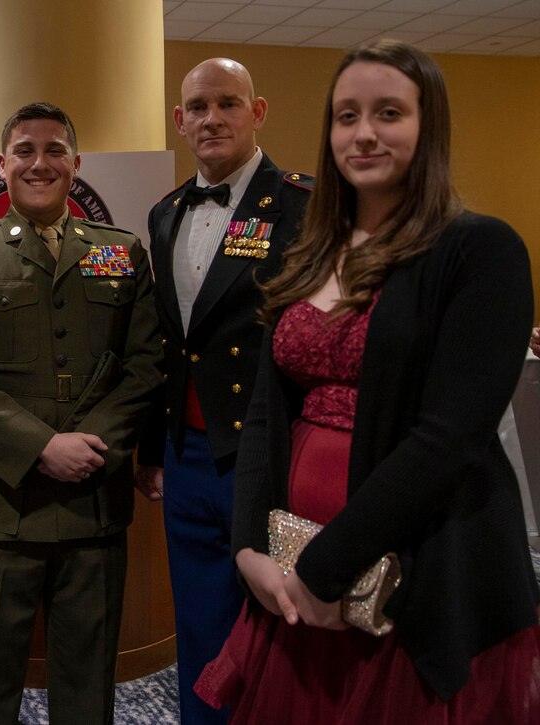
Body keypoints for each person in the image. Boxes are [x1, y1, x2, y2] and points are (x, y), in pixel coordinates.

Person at [195, 39, 540, 723]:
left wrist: (324, 568)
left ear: (428, 124)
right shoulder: (310, 249)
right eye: (347, 115)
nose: (364, 133)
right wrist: (250, 549)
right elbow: (265, 410)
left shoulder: (480, 250)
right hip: (295, 570)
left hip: (416, 570)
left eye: (389, 112)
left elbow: (449, 438)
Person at [0, 102, 163, 724]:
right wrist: (42, 448)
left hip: (92, 506)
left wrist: (92, 446)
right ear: (1, 164)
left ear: (76, 165)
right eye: (25, 151)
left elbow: (144, 367)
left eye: (54, 150)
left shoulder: (122, 252)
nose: (40, 163)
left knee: (88, 688)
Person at [136, 57, 312, 725]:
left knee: (282, 620)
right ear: (179, 121)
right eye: (198, 107)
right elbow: (167, 343)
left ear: (257, 112)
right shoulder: (165, 212)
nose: (212, 119)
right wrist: (153, 448)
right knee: (200, 621)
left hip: (271, 452)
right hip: (187, 455)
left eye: (228, 104)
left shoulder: (305, 205)